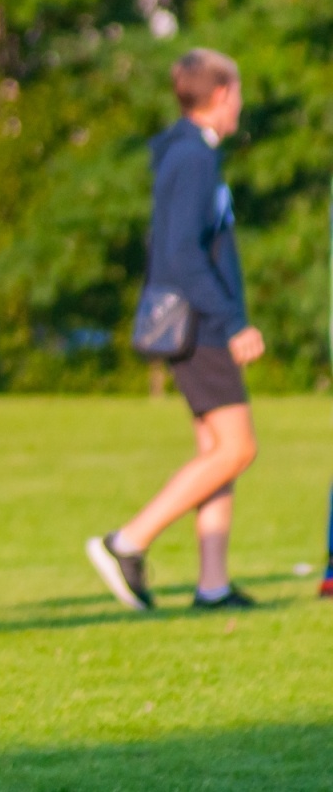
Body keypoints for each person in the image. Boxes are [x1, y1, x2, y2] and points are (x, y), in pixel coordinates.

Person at [87, 48, 262, 612]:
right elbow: (183, 252)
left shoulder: (189, 152)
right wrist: (232, 320)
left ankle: (212, 584)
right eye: (236, 93)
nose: (240, 104)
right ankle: (127, 541)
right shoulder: (192, 157)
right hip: (203, 326)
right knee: (237, 448)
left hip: (201, 322)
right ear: (218, 96)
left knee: (215, 449)